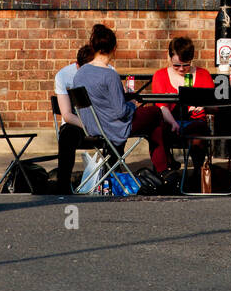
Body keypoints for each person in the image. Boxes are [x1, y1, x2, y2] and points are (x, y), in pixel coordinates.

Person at [72, 23, 177, 184]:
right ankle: (163, 169)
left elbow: (100, 100)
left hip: (91, 126)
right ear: (114, 48)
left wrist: (124, 98)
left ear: (93, 47)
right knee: (155, 114)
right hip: (111, 127)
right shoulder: (110, 75)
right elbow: (120, 112)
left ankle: (156, 166)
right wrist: (132, 104)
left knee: (153, 125)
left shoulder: (80, 74)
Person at [151, 36, 215, 190]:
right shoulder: (160, 76)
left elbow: (215, 104)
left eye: (185, 65)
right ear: (169, 58)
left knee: (198, 134)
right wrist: (172, 122)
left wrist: (204, 106)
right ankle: (166, 172)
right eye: (176, 65)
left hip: (195, 122)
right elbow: (161, 106)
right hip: (170, 121)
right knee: (157, 130)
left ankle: (197, 174)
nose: (181, 69)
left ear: (191, 59)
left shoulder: (202, 75)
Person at [54, 43, 95, 194]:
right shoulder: (64, 76)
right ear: (77, 65)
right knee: (66, 135)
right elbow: (67, 114)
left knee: (117, 131)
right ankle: (63, 186)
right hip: (77, 123)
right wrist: (89, 126)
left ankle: (113, 177)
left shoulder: (106, 70)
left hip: (102, 124)